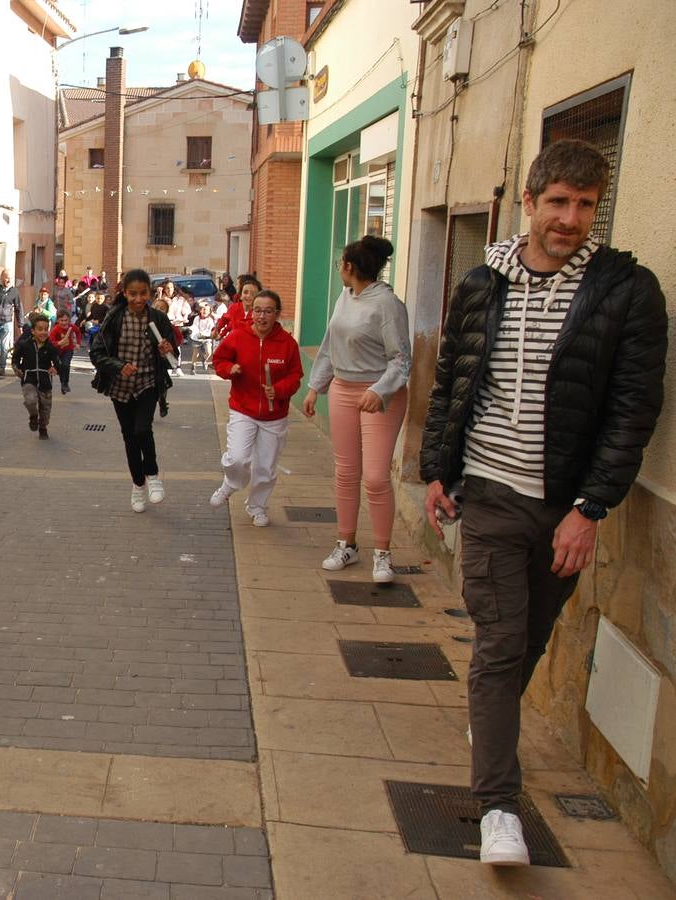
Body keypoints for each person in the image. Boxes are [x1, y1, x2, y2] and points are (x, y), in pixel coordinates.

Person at [419, 139, 666, 867]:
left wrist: (589, 509)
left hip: (563, 506)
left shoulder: (627, 291)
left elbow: (632, 409)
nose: (569, 218)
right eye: (557, 202)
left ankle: (486, 724)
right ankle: (497, 806)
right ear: (528, 203)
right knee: (497, 645)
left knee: (527, 641)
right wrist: (437, 468)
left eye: (585, 205)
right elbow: (452, 383)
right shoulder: (479, 284)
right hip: (490, 493)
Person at [302, 235, 410, 583]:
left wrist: (379, 390)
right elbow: (331, 346)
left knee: (376, 478)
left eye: (340, 264)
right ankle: (346, 543)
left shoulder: (388, 304)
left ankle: (383, 554)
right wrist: (315, 386)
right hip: (342, 391)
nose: (338, 270)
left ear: (349, 266)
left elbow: (401, 359)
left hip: (380, 396)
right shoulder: (345, 297)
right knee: (346, 472)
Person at [209, 290, 304, 527]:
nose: (262, 316)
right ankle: (231, 483)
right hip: (243, 408)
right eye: (257, 311)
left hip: (274, 415)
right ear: (252, 313)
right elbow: (218, 360)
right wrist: (229, 369)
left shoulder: (287, 343)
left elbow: (296, 375)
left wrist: (280, 389)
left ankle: (257, 506)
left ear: (277, 314)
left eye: (268, 311)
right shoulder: (238, 336)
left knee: (265, 466)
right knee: (238, 458)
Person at [90, 268, 178, 513]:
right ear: (124, 293)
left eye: (143, 293)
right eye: (133, 294)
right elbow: (96, 354)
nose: (138, 299)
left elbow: (174, 359)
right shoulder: (114, 317)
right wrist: (118, 367)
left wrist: (167, 350)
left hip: (148, 383)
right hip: (120, 387)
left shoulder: (158, 320)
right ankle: (138, 486)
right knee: (130, 436)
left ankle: (152, 476)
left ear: (150, 292)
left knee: (143, 429)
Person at [12, 313, 60, 438]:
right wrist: (16, 368)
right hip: (29, 379)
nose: (43, 332)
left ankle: (43, 428)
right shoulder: (24, 345)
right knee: (30, 400)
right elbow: (15, 358)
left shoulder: (50, 347)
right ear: (33, 331)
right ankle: (33, 416)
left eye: (46, 329)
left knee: (45, 410)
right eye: (40, 329)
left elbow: (57, 362)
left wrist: (56, 368)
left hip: (45, 382)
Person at [49, 309, 83, 394]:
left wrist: (78, 343)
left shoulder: (71, 327)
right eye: (62, 320)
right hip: (57, 351)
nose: (64, 323)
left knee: (65, 364)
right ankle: (62, 381)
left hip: (68, 349)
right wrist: (59, 343)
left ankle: (65, 383)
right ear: (57, 320)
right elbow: (50, 342)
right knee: (60, 366)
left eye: (66, 320)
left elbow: (78, 332)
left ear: (69, 320)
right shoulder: (55, 329)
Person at [214, 274, 257, 341]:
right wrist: (219, 332)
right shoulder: (235, 307)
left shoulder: (258, 312)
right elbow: (228, 320)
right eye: (245, 293)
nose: (236, 286)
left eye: (238, 284)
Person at [184, 299, 218, 375]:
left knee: (209, 352)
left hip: (206, 338)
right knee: (196, 353)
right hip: (197, 337)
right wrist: (192, 330)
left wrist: (206, 335)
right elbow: (194, 327)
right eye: (203, 309)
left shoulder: (210, 320)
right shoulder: (197, 318)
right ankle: (193, 367)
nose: (204, 311)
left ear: (209, 312)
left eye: (206, 310)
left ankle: (204, 359)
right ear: (200, 310)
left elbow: (210, 329)